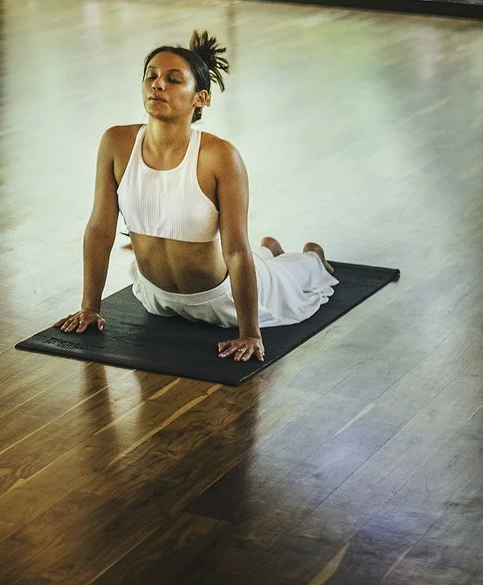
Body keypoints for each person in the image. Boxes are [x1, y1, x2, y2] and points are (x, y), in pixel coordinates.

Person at [57, 31, 337, 362]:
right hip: (155, 299)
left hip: (222, 303)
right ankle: (269, 251)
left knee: (290, 278)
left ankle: (308, 260)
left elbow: (234, 249)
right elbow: (100, 230)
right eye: (151, 76)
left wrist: (249, 334)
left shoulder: (219, 156)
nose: (158, 85)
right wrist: (89, 308)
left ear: (200, 98)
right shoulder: (116, 143)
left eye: (173, 80)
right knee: (258, 261)